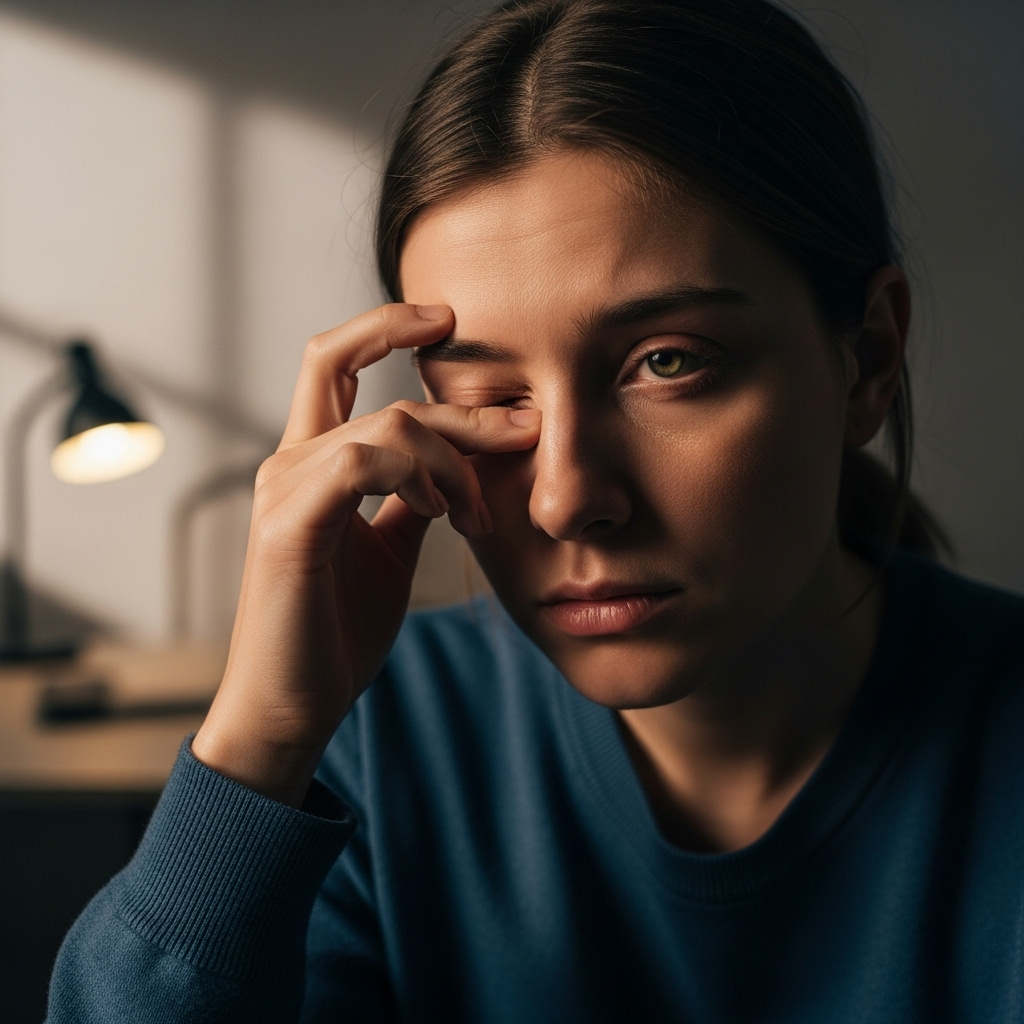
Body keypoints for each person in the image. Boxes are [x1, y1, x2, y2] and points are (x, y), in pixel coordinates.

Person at [47, 1, 1023, 1021]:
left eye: (667, 364)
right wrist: (257, 751)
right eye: (485, 398)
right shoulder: (370, 752)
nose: (565, 498)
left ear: (865, 358)